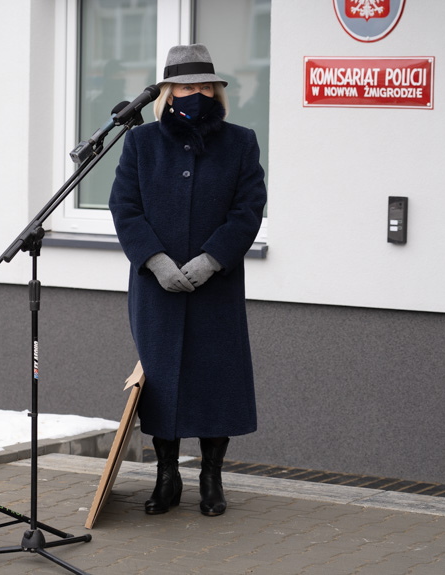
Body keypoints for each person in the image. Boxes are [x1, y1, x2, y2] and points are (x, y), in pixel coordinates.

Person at [109, 44, 266, 517]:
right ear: (167, 93)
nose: (194, 93)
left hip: (214, 287)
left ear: (216, 90)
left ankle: (212, 478)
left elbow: (248, 209)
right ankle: (166, 476)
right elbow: (125, 206)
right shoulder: (141, 142)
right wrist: (155, 260)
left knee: (215, 379)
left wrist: (212, 259)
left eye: (203, 86)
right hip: (157, 289)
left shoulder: (241, 142)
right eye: (184, 86)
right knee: (162, 382)